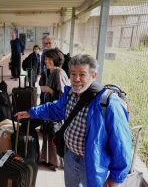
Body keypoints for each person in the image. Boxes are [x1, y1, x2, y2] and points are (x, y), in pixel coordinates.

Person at [15, 54, 132, 187]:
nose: (76, 79)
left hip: (92, 164)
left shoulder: (108, 103)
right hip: (70, 157)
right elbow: (55, 109)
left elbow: (121, 144)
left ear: (93, 76)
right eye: (73, 74)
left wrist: (115, 178)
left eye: (82, 74)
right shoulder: (70, 94)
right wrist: (31, 113)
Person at [39, 48, 69, 171]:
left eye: (50, 59)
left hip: (56, 112)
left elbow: (64, 96)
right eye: (46, 59)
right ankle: (49, 160)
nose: (47, 61)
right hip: (50, 109)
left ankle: (57, 162)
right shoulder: (50, 72)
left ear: (56, 60)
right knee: (49, 134)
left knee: (54, 135)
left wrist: (49, 90)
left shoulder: (59, 73)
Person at [40, 36, 57, 104]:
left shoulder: (57, 52)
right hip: (46, 72)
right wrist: (41, 71)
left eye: (49, 43)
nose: (47, 45)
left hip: (53, 73)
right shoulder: (45, 51)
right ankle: (43, 101)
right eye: (46, 43)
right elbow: (42, 62)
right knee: (45, 86)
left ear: (54, 43)